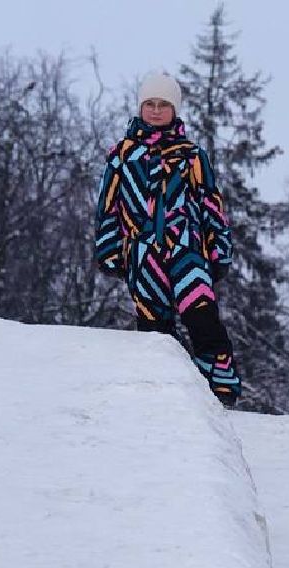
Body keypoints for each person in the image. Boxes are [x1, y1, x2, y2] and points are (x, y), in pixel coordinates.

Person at [94, 70, 240, 406]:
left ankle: (218, 386)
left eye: (163, 104)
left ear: (174, 110)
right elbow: (108, 206)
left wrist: (219, 248)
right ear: (140, 107)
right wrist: (109, 249)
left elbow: (210, 202)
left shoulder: (191, 155)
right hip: (142, 252)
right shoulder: (122, 156)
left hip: (187, 249)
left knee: (201, 312)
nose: (156, 110)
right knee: (154, 325)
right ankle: (164, 392)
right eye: (150, 104)